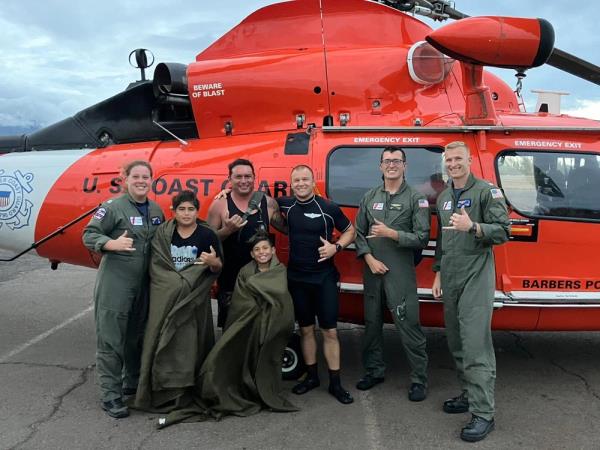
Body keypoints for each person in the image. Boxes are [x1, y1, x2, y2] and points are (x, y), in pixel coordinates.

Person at [156, 231, 297, 428]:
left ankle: (264, 392)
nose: (262, 252)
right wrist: (256, 304)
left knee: (266, 360)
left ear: (273, 251)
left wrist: (259, 294)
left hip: (271, 324)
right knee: (225, 358)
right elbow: (241, 300)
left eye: (265, 248)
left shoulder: (279, 270)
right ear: (252, 254)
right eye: (257, 249)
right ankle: (238, 390)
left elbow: (281, 296)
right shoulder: (245, 272)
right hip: (248, 324)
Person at [432, 141, 510, 442]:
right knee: (457, 340)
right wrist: (438, 271)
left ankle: (483, 414)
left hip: (476, 275)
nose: (453, 164)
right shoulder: (444, 197)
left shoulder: (486, 192)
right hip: (451, 276)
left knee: (476, 345)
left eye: (458, 159)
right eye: (449, 160)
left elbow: (504, 231)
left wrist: (474, 226)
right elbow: (441, 240)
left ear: (469, 160)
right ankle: (468, 395)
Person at [82, 160, 164, 419]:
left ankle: (132, 383)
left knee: (135, 337)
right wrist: (110, 244)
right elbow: (89, 234)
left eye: (146, 177)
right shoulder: (112, 208)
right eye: (136, 176)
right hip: (116, 284)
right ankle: (111, 395)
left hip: (144, 284)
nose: (141, 181)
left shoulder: (155, 208)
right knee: (111, 338)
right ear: (125, 179)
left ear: (152, 181)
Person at [134, 190, 222, 412]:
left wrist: (213, 262)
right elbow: (156, 266)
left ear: (197, 210)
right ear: (173, 211)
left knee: (190, 344)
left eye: (190, 209)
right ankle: (160, 390)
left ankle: (186, 391)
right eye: (181, 209)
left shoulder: (207, 234)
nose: (186, 213)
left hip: (193, 300)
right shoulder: (163, 233)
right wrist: (176, 283)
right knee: (158, 338)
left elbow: (217, 267)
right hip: (165, 298)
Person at [354, 147, 430, 401]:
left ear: (405, 166)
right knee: (372, 323)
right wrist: (369, 258)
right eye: (387, 161)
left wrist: (392, 234)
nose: (391, 165)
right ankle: (374, 371)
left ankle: (419, 379)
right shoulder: (370, 197)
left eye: (396, 161)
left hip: (400, 271)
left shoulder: (416, 199)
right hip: (373, 269)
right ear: (380, 166)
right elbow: (359, 232)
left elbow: (422, 237)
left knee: (408, 322)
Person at [278, 165, 356, 404]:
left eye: (305, 179)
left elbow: (350, 231)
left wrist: (336, 247)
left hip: (323, 277)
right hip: (297, 277)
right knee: (305, 329)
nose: (301, 184)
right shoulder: (286, 205)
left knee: (330, 331)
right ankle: (311, 377)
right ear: (291, 184)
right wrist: (224, 192)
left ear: (313, 182)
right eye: (296, 180)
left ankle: (335, 383)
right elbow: (258, 201)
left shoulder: (328, 208)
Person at [207, 158, 285, 327]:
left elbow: (289, 229)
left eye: (248, 176)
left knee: (260, 328)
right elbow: (208, 242)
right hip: (230, 281)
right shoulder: (219, 205)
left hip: (261, 280)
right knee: (231, 331)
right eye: (238, 177)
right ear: (230, 179)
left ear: (254, 177)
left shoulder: (269, 204)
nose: (244, 181)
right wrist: (227, 230)